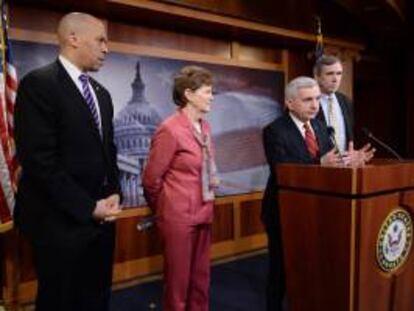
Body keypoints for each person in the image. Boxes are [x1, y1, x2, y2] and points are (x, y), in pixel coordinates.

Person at [14, 12, 121, 311]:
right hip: (58, 223)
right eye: (101, 40)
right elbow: (39, 163)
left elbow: (108, 150)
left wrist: (113, 192)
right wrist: (88, 207)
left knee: (96, 299)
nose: (106, 49)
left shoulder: (102, 95)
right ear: (73, 38)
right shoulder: (38, 85)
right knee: (60, 301)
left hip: (101, 223)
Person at [262, 77, 342, 311]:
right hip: (282, 211)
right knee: (281, 269)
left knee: (312, 267)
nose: (315, 105)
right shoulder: (274, 131)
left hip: (318, 210)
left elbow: (330, 163)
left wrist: (348, 161)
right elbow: (282, 169)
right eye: (308, 99)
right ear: (290, 103)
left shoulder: (319, 126)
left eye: (317, 98)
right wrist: (319, 163)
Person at [143, 65, 218, 311]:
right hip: (177, 217)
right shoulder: (170, 129)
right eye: (207, 91)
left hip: (204, 211)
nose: (212, 97)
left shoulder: (205, 127)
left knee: (200, 280)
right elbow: (151, 180)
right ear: (188, 94)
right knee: (178, 284)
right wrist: (166, 207)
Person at [314, 54, 375, 164]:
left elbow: (349, 139)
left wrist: (354, 156)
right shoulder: (308, 101)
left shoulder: (345, 101)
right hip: (318, 170)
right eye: (329, 74)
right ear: (317, 76)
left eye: (339, 73)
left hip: (344, 169)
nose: (335, 79)